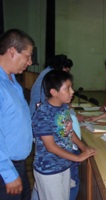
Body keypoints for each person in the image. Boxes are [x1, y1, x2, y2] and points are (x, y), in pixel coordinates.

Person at [31, 70, 96, 200]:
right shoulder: (43, 114)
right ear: (53, 92)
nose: (72, 92)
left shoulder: (64, 107)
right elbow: (51, 147)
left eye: (71, 87)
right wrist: (76, 158)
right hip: (49, 171)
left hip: (64, 165)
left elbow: (69, 132)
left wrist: (83, 147)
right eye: (67, 88)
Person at [0, 29, 34, 199]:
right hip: (5, 168)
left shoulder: (13, 81)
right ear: (12, 51)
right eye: (28, 56)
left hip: (17, 165)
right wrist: (8, 173)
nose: (30, 62)